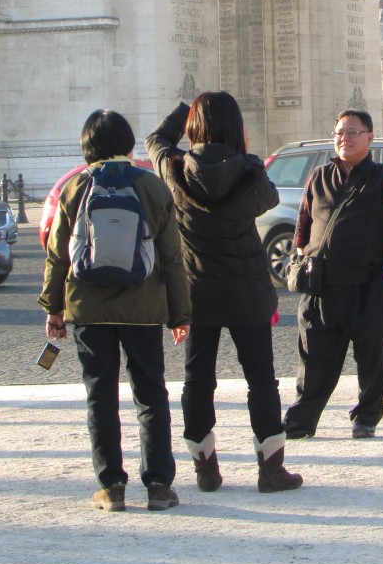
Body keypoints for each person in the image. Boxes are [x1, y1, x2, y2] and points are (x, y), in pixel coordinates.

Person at [145, 93, 302, 494]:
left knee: (197, 381)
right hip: (247, 290)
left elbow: (155, 139)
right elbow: (268, 200)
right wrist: (244, 153)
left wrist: (184, 108)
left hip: (197, 291)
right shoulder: (250, 171)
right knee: (261, 381)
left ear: (195, 127)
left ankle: (205, 470)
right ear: (236, 128)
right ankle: (270, 470)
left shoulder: (175, 168)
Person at [39, 109, 191, 513]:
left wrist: (53, 308)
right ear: (128, 145)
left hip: (88, 309)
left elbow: (57, 257)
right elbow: (173, 259)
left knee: (99, 397)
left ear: (87, 147)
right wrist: (179, 315)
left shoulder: (74, 188)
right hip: (143, 309)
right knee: (150, 395)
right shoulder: (153, 188)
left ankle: (111, 487)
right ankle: (159, 484)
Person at [283, 108, 383, 441]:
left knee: (370, 355)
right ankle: (301, 420)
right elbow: (302, 227)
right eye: (339, 132)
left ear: (369, 137)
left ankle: (366, 417)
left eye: (353, 132)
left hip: (367, 283)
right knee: (313, 356)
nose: (345, 138)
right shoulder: (318, 176)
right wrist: (303, 260)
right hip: (321, 286)